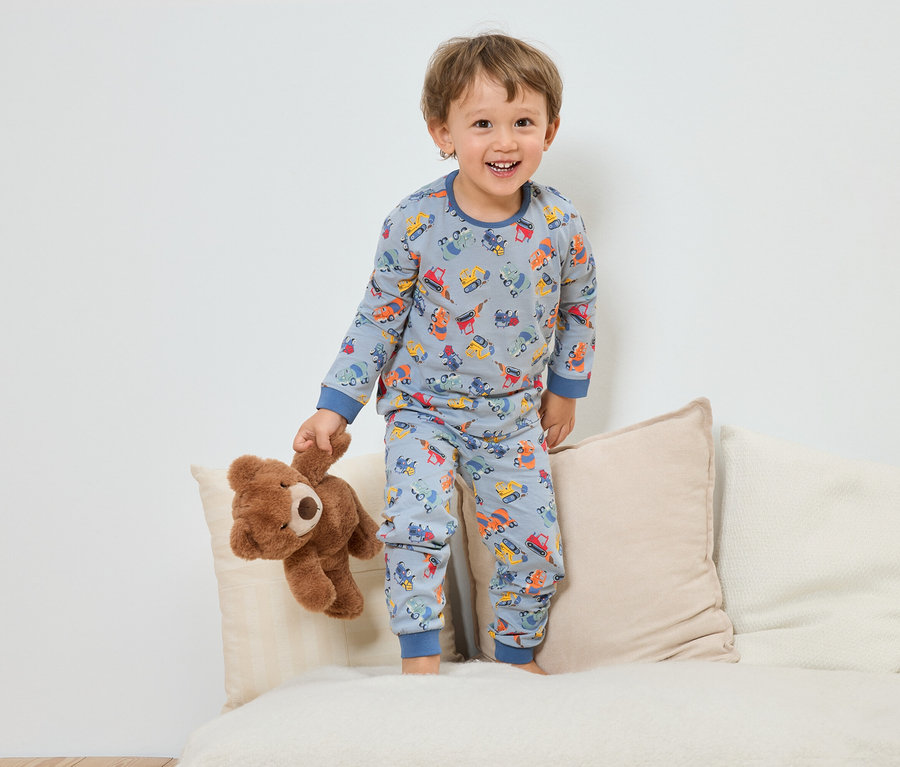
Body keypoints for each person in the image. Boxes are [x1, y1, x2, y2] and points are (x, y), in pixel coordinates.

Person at [294, 33, 596, 675]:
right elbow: (376, 319)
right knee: (415, 528)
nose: (505, 142)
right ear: (443, 132)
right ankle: (421, 661)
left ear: (551, 130)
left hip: (513, 418)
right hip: (421, 411)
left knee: (534, 545)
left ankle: (517, 658)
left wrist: (565, 390)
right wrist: (334, 408)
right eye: (482, 123)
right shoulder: (413, 222)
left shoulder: (560, 222)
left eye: (523, 123)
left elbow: (579, 308)